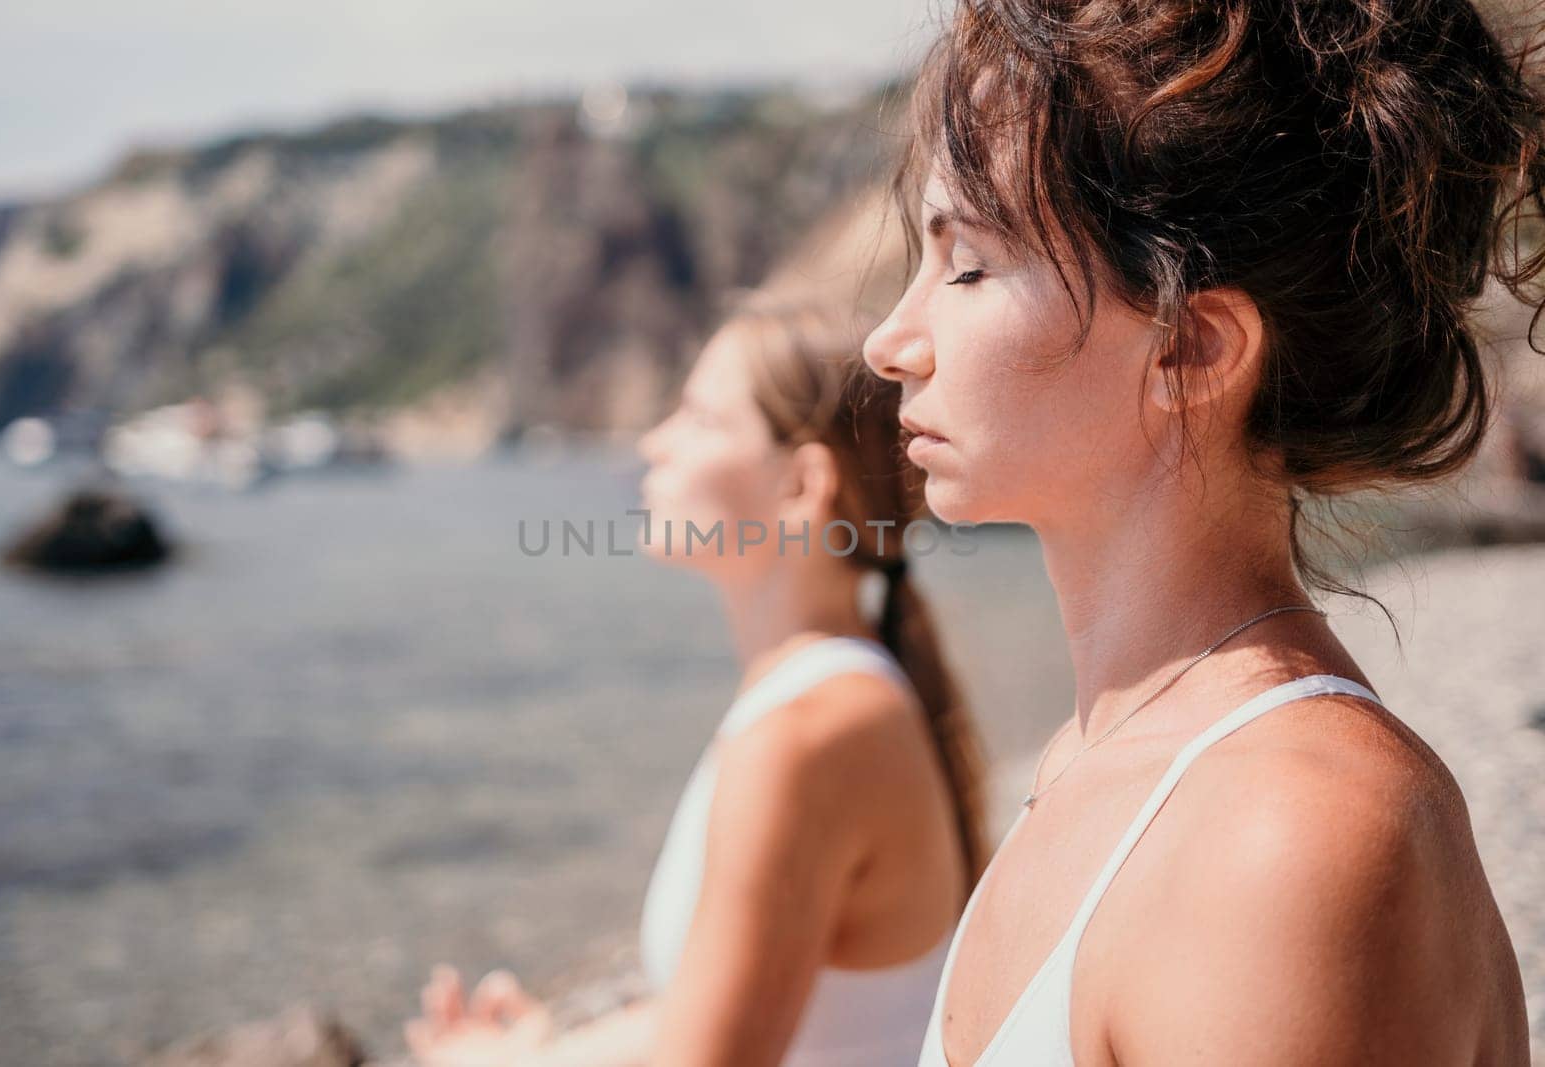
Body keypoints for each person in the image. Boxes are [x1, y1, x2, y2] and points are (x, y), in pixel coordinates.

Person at [862, 1, 1542, 1063]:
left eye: (966, 266)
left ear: (1190, 349)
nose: (887, 342)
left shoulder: (1284, 837)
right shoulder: (1108, 752)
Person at [404, 296, 990, 1067]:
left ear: (800, 486)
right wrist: (535, 1049)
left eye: (700, 419)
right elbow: (730, 1007)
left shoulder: (806, 735)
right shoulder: (831, 700)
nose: (654, 442)